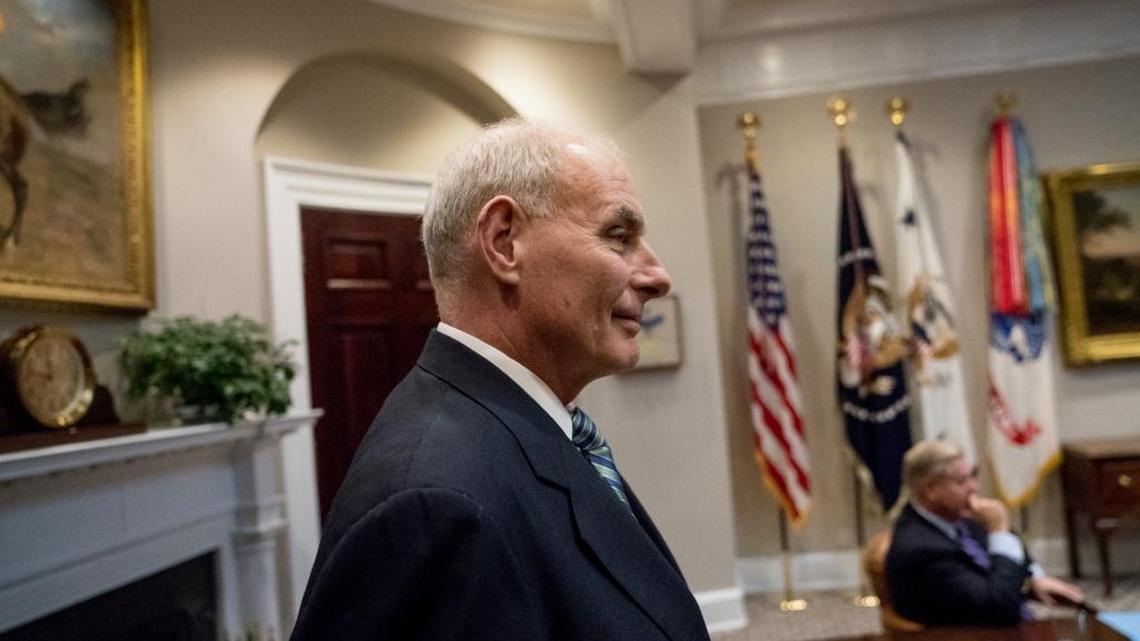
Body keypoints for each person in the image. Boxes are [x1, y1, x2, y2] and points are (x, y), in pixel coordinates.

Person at [290, 119, 711, 641]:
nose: (657, 275)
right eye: (618, 236)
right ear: (504, 241)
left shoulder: (534, 430)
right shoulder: (437, 506)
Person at [886, 440, 1084, 626]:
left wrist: (1034, 579)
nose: (974, 488)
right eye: (962, 481)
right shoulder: (921, 550)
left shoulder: (961, 519)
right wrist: (999, 530)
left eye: (974, 476)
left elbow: (1007, 562)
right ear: (930, 489)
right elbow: (1000, 606)